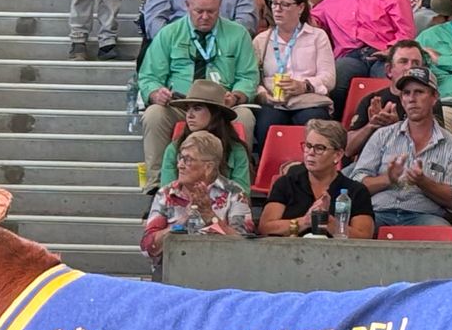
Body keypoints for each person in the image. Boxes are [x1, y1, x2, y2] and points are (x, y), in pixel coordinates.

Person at [138, 0, 260, 184]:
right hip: (181, 104)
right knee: (154, 115)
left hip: (221, 106)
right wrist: (155, 92)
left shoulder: (238, 34)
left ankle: (236, 184)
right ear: (187, 5)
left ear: (220, 5)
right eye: (199, 11)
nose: (205, 17)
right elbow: (148, 76)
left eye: (211, 11)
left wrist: (238, 96)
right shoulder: (169, 34)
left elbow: (248, 76)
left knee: (245, 117)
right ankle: (158, 186)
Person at [349, 62, 452, 224]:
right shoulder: (382, 135)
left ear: (434, 97)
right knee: (356, 228)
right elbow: (356, 186)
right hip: (378, 212)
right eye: (406, 93)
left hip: (423, 216)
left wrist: (423, 182)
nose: (411, 99)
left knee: (441, 231)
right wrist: (387, 179)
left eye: (419, 92)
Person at [142, 128, 254, 275]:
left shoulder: (234, 193)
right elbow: (147, 248)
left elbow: (244, 246)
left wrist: (209, 216)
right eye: (180, 158)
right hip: (173, 273)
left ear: (208, 167)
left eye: (187, 160)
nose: (180, 165)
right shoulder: (166, 193)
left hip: (221, 273)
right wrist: (179, 224)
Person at [252, 0, 336, 146]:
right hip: (273, 102)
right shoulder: (261, 40)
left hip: (308, 99)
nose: (277, 9)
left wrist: (303, 85)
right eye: (274, 3)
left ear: (300, 7)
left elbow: (329, 78)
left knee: (312, 122)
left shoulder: (317, 36)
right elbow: (254, 79)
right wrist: (264, 96)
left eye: (284, 4)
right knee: (267, 123)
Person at [257, 116, 375, 235]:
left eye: (319, 148)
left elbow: (364, 236)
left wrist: (329, 222)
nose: (311, 153)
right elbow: (265, 228)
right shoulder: (286, 184)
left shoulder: (356, 191)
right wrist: (305, 222)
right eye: (308, 146)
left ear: (338, 155)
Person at [155, 76, 253, 186]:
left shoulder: (236, 151)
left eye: (197, 108)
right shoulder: (174, 149)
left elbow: (242, 196)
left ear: (215, 113)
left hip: (227, 203)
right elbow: (167, 194)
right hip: (181, 203)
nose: (189, 115)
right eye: (188, 109)